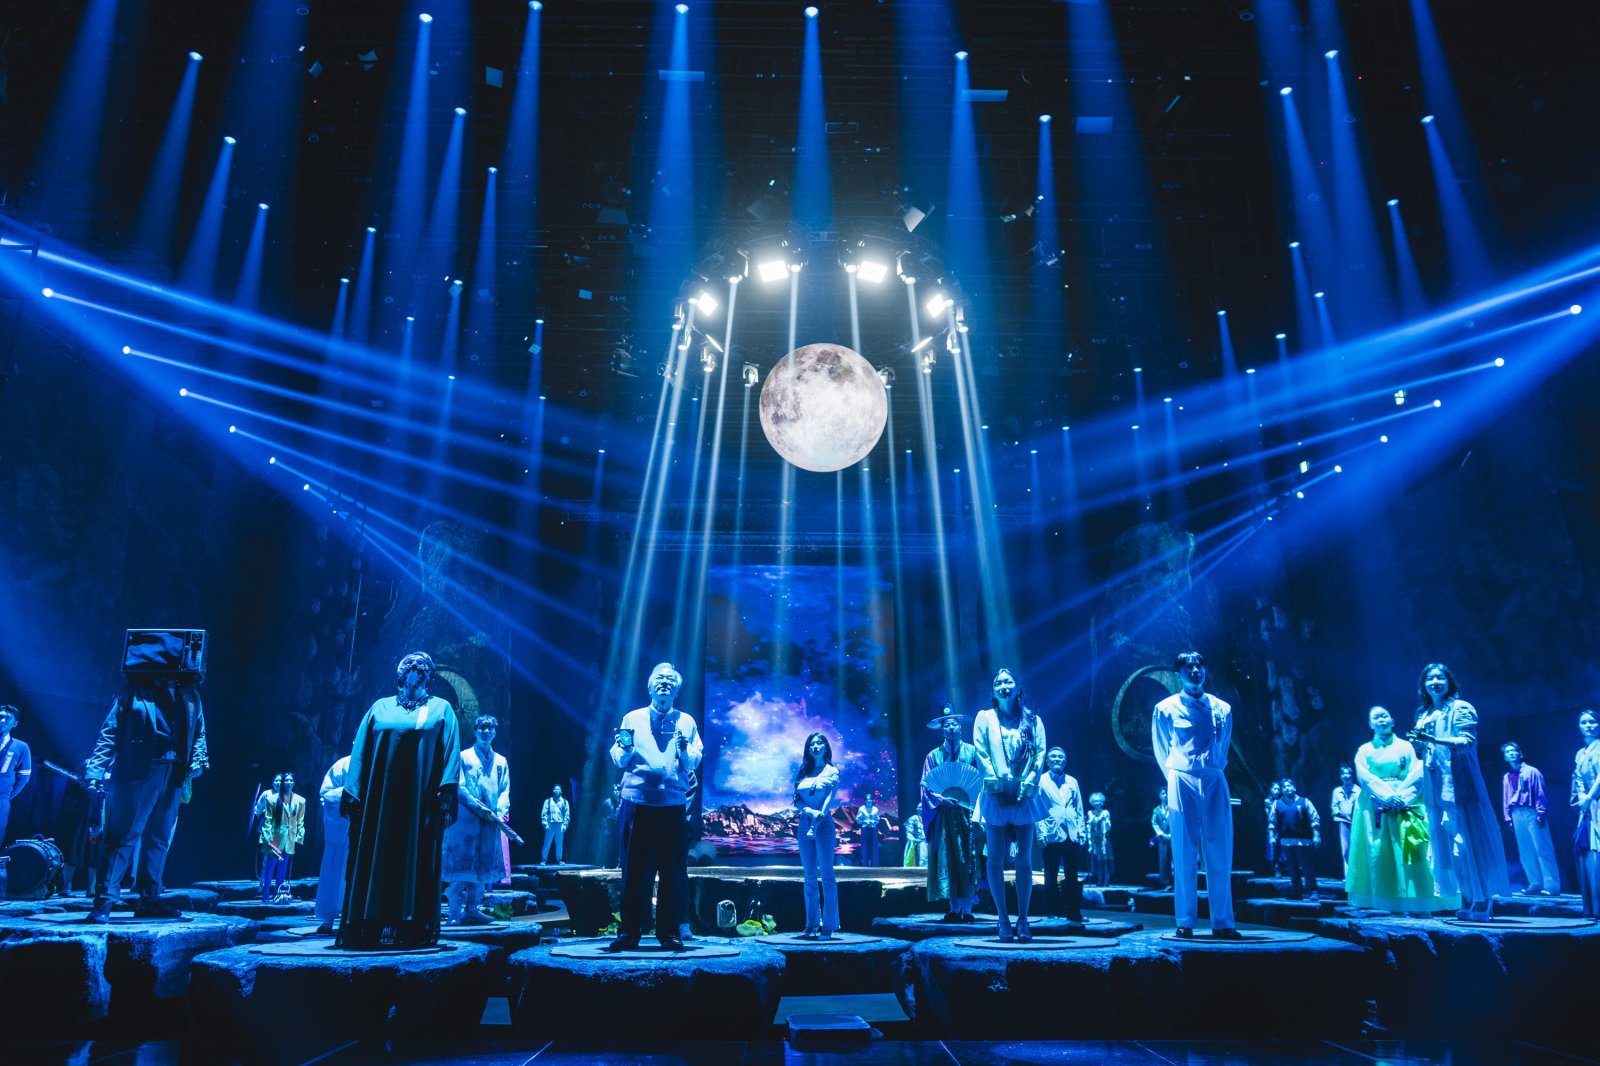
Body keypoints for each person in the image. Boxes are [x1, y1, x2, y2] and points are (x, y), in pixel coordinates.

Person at [337, 651, 461, 950]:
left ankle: (411, 926)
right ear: (399, 673)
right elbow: (360, 751)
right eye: (409, 664)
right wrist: (353, 790)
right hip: (378, 803)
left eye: (421, 666)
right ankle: (368, 923)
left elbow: (451, 753)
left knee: (416, 856)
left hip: (419, 803)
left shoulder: (441, 709)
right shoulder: (380, 707)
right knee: (374, 853)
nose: (415, 668)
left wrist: (446, 790)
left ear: (429, 675)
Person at [85, 646, 209, 923]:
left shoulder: (189, 694)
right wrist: (96, 768)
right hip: (138, 772)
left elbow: (199, 732)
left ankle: (149, 898)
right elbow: (110, 731)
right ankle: (104, 900)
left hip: (174, 772)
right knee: (123, 835)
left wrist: (198, 759)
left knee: (159, 838)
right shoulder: (135, 692)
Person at [607, 662, 701, 952]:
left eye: (671, 680)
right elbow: (618, 758)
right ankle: (630, 932)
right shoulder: (632, 717)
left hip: (672, 805)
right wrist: (625, 748)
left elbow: (694, 761)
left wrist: (684, 749)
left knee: (671, 872)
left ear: (677, 690)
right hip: (637, 803)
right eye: (660, 679)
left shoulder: (687, 721)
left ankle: (669, 932)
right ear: (650, 686)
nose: (665, 683)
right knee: (634, 871)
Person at [1409, 662, 1510, 919]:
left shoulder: (1461, 708)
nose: (1435, 682)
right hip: (1435, 791)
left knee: (1468, 842)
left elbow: (1467, 742)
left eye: (1440, 678)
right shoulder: (1424, 714)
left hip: (1459, 785)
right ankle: (1466, 896)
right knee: (1447, 846)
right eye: (1430, 679)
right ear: (1423, 685)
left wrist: (1433, 740)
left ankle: (1483, 899)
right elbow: (1423, 752)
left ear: (1448, 682)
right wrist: (1419, 745)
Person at [1152, 651, 1239, 939]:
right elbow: (1161, 747)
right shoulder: (1165, 708)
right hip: (1181, 777)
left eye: (1199, 665)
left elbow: (1223, 745)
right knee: (1184, 850)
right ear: (1178, 673)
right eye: (1188, 667)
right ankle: (1185, 920)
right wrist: (1176, 775)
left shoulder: (1222, 708)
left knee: (1220, 849)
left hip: (1213, 777)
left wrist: (1210, 767)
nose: (1194, 670)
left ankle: (1223, 922)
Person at [1347, 706, 1451, 914]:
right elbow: (1365, 777)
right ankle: (1388, 901)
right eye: (1376, 717)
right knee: (1380, 852)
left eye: (1384, 715)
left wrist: (1402, 797)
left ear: (1392, 720)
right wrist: (1387, 796)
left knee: (1411, 850)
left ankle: (1418, 901)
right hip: (1376, 803)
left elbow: (1416, 772)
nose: (1381, 720)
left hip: (1405, 802)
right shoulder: (1364, 750)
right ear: (1370, 724)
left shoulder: (1406, 746)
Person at [974, 668, 1048, 942]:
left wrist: (1027, 787)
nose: (1003, 686)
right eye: (998, 683)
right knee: (995, 857)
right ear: (993, 691)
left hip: (1023, 795)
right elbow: (981, 752)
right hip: (996, 794)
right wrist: (996, 788)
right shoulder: (985, 718)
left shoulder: (1033, 720)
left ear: (1018, 687)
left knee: (1024, 858)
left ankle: (1024, 919)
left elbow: (1040, 754)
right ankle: (1003, 919)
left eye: (1008, 681)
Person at [444, 714, 511, 926]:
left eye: (490, 728)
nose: (486, 732)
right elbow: (460, 787)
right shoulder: (463, 757)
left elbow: (504, 790)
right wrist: (478, 807)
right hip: (467, 819)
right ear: (475, 731)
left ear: (495, 732)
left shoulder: (500, 761)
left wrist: (499, 811)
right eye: (482, 728)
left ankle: (472, 909)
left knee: (482, 868)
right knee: (464, 866)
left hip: (490, 820)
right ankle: (454, 911)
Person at [921, 706, 982, 922]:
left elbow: (981, 781)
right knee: (948, 857)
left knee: (969, 857)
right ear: (942, 729)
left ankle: (968, 908)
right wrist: (941, 799)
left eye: (955, 724)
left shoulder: (973, 752)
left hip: (969, 814)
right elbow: (926, 786)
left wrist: (973, 803)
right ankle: (954, 908)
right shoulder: (933, 756)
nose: (952, 727)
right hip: (944, 816)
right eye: (947, 725)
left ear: (960, 727)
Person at [793, 732, 840, 939]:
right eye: (811, 744)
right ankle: (811, 924)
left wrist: (818, 815)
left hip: (823, 824)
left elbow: (830, 797)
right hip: (805, 824)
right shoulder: (804, 771)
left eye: (819, 743)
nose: (815, 746)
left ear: (825, 747)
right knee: (809, 875)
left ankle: (829, 925)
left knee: (827, 874)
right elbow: (797, 799)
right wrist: (809, 812)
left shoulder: (831, 771)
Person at [1501, 742, 1560, 895]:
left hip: (1532, 811)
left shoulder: (1532, 772)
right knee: (1525, 850)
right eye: (1507, 752)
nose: (1511, 753)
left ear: (1520, 753)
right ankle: (1535, 883)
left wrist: (1541, 812)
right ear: (1505, 757)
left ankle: (1551, 885)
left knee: (1542, 848)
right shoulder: (1507, 777)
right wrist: (1508, 817)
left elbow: (1540, 793)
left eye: (1513, 750)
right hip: (1516, 813)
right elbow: (1506, 798)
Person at [1036, 746, 1085, 921]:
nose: (1057, 759)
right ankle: (1054, 910)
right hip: (1052, 832)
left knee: (1072, 876)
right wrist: (1040, 833)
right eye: (1054, 756)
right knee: (1051, 875)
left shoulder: (1072, 781)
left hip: (1072, 833)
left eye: (1060, 757)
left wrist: (1081, 831)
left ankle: (1074, 911)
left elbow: (1079, 808)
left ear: (1065, 761)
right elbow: (1037, 808)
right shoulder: (1041, 780)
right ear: (1047, 761)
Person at [55, 759, 107, 896]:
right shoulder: (87, 763)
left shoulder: (113, 767)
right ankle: (66, 885)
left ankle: (91, 887)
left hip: (100, 814)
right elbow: (71, 790)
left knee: (94, 853)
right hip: (80, 816)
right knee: (73, 850)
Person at [314, 754, 351, 934]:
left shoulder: (376, 762)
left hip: (362, 832)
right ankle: (328, 919)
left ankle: (351, 918)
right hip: (340, 833)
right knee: (333, 874)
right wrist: (348, 793)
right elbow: (326, 795)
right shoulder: (342, 764)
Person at [1269, 778, 1322, 900]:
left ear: (1294, 787)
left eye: (1289, 786)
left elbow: (1315, 819)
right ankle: (1296, 891)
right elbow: (1272, 822)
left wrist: (1316, 835)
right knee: (1292, 868)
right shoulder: (1277, 804)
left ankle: (1312, 891)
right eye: (1284, 787)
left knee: (1307, 867)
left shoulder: (1305, 802)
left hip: (1304, 841)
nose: (1287, 788)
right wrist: (1271, 837)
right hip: (1286, 842)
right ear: (1282, 790)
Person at [259, 771, 305, 903]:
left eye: (291, 780)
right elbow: (268, 820)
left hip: (289, 838)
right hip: (275, 837)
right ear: (283, 782)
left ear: (294, 783)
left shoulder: (300, 800)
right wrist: (269, 839)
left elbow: (300, 821)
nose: (289, 783)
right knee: (270, 867)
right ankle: (265, 896)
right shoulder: (272, 799)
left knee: (282, 869)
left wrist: (299, 837)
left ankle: (278, 896)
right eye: (286, 780)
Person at [1572, 710, 1600, 918]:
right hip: (1587, 807)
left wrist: (1590, 797)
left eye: (1592, 721)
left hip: (1596, 800)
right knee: (1587, 851)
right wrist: (1583, 797)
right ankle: (1593, 907)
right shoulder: (1580, 753)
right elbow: (1578, 779)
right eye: (1584, 722)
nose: (1589, 725)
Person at [0, 706, 33, 847]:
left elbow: (24, 778)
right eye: (0, 717)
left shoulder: (21, 747)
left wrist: (6, 796)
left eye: (7, 718)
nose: (2, 721)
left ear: (15, 724)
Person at [1330, 764, 1360, 877]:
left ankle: (1358, 875)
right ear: (1340, 776)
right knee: (1346, 849)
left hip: (1357, 823)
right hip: (1343, 822)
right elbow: (1333, 808)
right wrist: (1341, 815)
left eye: (1348, 773)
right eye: (1344, 773)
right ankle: (1348, 875)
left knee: (1357, 847)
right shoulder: (1336, 791)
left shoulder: (1358, 790)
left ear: (1352, 775)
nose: (1346, 776)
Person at [1085, 792, 1114, 886]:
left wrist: (1106, 822)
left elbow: (1108, 827)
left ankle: (1106, 880)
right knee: (1097, 860)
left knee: (1105, 859)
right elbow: (1089, 827)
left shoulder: (1105, 812)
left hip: (1104, 838)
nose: (1096, 803)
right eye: (1094, 801)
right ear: (1092, 802)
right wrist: (1089, 842)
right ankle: (1099, 879)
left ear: (1101, 802)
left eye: (1098, 801)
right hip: (1094, 839)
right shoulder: (1090, 813)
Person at [541, 784, 571, 865]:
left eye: (558, 789)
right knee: (547, 843)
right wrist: (545, 824)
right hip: (550, 824)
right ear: (553, 791)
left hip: (560, 825)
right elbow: (544, 813)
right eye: (555, 789)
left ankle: (559, 859)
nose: (557, 791)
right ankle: (544, 859)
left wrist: (565, 825)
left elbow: (567, 815)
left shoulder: (565, 802)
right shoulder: (548, 801)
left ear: (561, 791)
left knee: (559, 843)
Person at [1150, 788, 1173, 888]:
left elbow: (1177, 821)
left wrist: (1172, 834)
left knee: (1175, 860)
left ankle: (1177, 882)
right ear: (1159, 796)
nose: (1165, 795)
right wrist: (1161, 834)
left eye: (1167, 793)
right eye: (1163, 793)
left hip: (1173, 838)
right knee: (1164, 860)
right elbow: (1154, 823)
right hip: (1163, 839)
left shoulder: (1173, 808)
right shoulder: (1157, 810)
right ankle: (1166, 883)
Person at [1264, 781, 1284, 876]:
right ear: (1271, 790)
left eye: (1278, 789)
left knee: (1283, 847)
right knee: (1273, 847)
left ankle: (1284, 867)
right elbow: (1269, 815)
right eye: (1275, 789)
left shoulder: (1282, 801)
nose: (1277, 791)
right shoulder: (1267, 801)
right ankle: (1276, 868)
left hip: (1282, 826)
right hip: (1273, 826)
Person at [856, 792, 882, 866]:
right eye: (867, 799)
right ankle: (865, 864)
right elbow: (858, 820)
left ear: (872, 800)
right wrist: (865, 822)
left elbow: (877, 819)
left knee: (874, 847)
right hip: (865, 829)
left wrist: (874, 822)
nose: (869, 801)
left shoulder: (875, 809)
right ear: (865, 801)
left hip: (873, 829)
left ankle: (874, 864)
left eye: (870, 799)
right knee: (865, 846)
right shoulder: (862, 809)